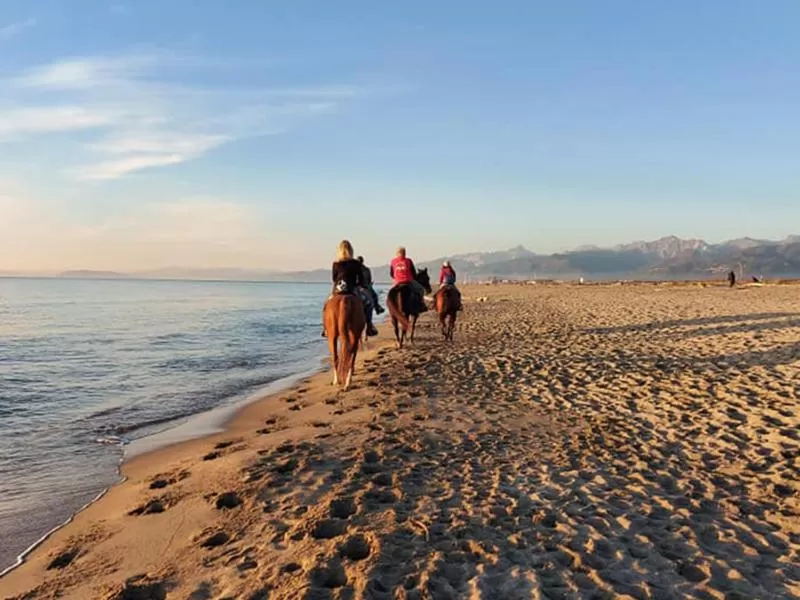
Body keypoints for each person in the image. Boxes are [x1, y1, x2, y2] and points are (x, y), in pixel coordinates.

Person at [322, 240, 378, 337]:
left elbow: (334, 278)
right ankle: (369, 325)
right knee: (368, 303)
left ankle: (326, 329)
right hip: (352, 289)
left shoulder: (335, 263)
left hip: (338, 290)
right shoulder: (356, 263)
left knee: (326, 306)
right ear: (351, 250)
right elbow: (360, 279)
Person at [390, 246, 428, 312]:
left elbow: (391, 274)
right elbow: (413, 272)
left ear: (397, 253)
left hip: (397, 282)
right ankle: (422, 304)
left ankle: (390, 308)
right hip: (408, 281)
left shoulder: (393, 261)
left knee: (390, 294)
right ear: (404, 253)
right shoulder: (408, 260)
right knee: (421, 289)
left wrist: (397, 278)